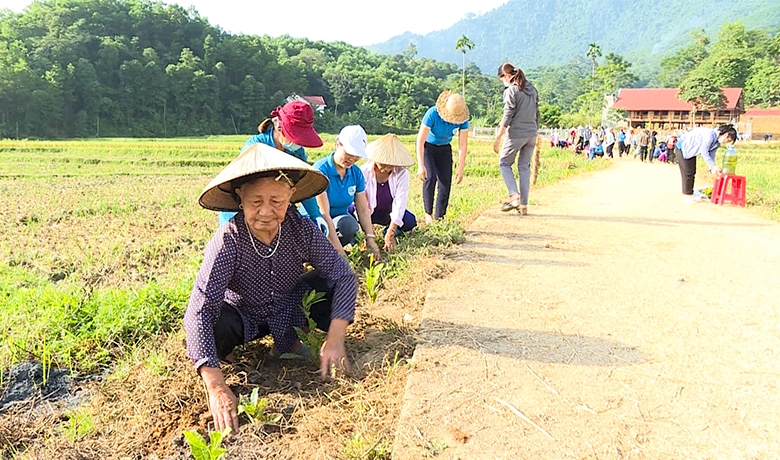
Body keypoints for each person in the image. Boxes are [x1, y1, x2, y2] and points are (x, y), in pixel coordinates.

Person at [185, 143, 358, 433]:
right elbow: (199, 309)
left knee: (326, 284)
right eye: (255, 202)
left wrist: (336, 337)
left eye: (276, 201)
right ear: (240, 198)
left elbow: (344, 276)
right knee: (212, 323)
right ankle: (224, 358)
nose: (266, 212)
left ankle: (288, 342)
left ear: (291, 195)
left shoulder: (300, 228)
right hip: (241, 314)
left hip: (287, 307)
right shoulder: (229, 240)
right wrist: (215, 384)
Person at [219, 100, 331, 236]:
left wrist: (316, 215)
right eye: (294, 137)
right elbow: (246, 193)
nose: (297, 143)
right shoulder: (255, 147)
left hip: (275, 209)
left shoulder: (297, 152)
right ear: (278, 126)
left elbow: (301, 184)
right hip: (246, 211)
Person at [306, 125, 381, 259]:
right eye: (348, 154)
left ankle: (328, 252)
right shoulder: (321, 170)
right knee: (327, 230)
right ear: (337, 144)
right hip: (316, 223)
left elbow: (363, 209)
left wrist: (370, 238)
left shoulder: (356, 173)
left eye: (356, 156)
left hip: (339, 223)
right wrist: (339, 252)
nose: (351, 159)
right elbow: (324, 213)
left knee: (349, 225)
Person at [415, 91, 470, 224]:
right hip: (429, 147)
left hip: (445, 149)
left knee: (445, 183)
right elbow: (420, 141)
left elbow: (462, 145)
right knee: (430, 177)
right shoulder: (432, 113)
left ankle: (440, 217)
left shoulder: (462, 119)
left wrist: (461, 169)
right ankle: (428, 213)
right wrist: (420, 165)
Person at [493, 63, 539, 215]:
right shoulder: (532, 89)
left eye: (502, 79)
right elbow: (536, 113)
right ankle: (524, 205)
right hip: (531, 133)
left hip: (516, 134)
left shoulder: (511, 91)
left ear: (506, 76)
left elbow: (508, 115)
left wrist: (498, 137)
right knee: (524, 167)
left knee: (504, 163)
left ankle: (514, 196)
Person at [358, 134, 418, 251]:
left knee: (410, 221)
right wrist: (369, 235)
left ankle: (388, 230)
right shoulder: (363, 172)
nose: (385, 169)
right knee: (350, 215)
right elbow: (362, 204)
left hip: (388, 212)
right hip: (368, 212)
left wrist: (391, 231)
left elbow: (400, 201)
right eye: (382, 164)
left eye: (390, 166)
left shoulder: (402, 174)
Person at [676, 124, 737, 200]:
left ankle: (690, 194)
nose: (726, 142)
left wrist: (712, 168)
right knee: (687, 172)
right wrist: (713, 166)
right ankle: (687, 195)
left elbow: (712, 154)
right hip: (683, 147)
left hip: (691, 151)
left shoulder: (717, 143)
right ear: (726, 135)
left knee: (692, 172)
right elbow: (704, 151)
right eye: (728, 140)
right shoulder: (710, 136)